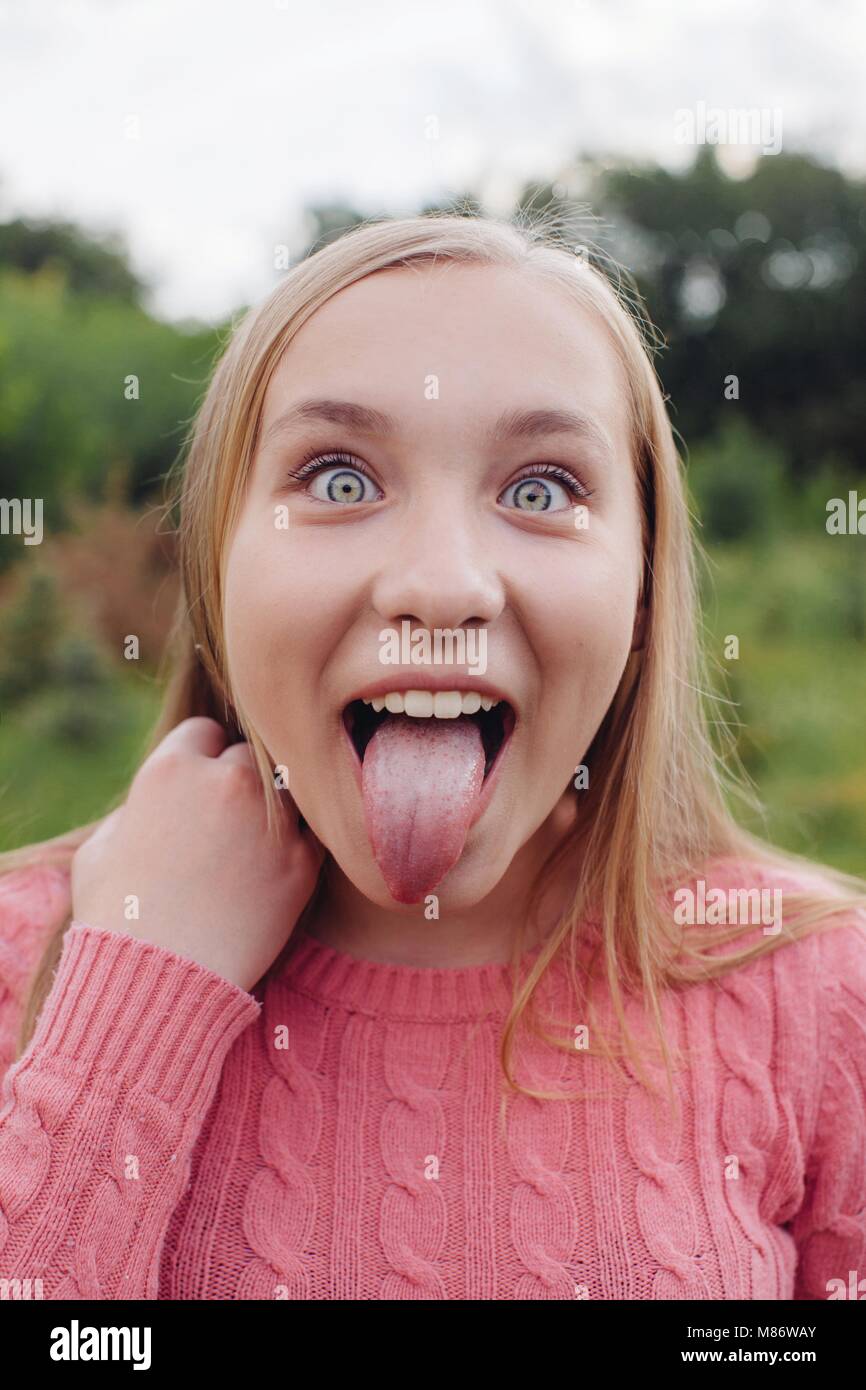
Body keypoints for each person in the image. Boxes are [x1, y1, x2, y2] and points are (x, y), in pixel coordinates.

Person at [0, 213, 863, 1301]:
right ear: (216, 565)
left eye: (540, 489)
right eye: (339, 479)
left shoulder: (824, 998)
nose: (442, 584)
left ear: (643, 592)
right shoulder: (27, 958)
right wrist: (137, 995)